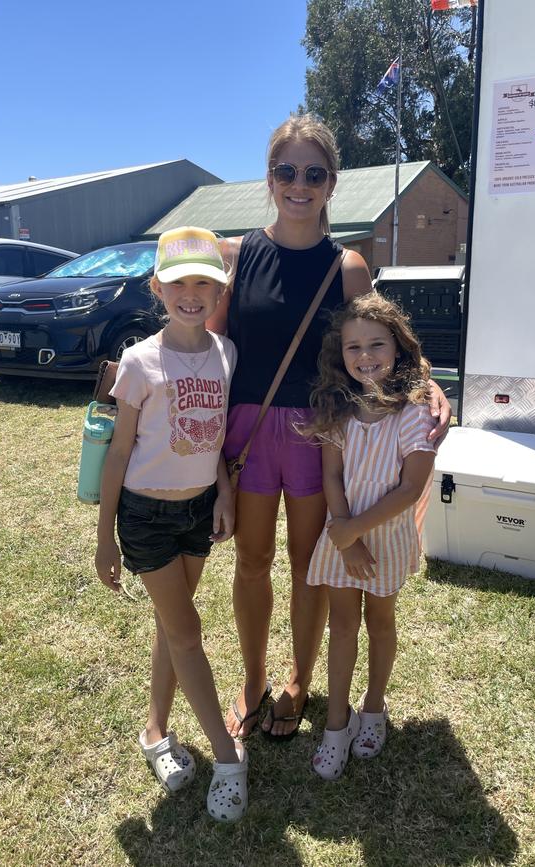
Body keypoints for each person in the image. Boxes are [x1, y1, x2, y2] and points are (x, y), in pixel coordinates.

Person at [208, 114, 451, 741]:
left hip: (322, 433)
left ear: (331, 183)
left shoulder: (346, 267)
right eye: (286, 171)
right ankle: (253, 679)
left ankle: (299, 681)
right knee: (253, 561)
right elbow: (208, 355)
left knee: (310, 563)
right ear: (269, 178)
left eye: (313, 173)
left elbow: (383, 340)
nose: (299, 184)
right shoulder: (236, 257)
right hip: (251, 432)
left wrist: (429, 387)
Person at [94, 226, 248, 822]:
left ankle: (155, 731)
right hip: (147, 516)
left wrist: (224, 493)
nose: (192, 293)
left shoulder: (225, 354)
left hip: (198, 510)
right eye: (180, 282)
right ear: (157, 287)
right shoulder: (139, 361)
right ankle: (227, 755)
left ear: (219, 292)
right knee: (187, 633)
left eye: (205, 283)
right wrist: (105, 535)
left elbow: (217, 439)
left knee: (171, 625)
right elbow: (118, 450)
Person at [307, 293, 436, 780]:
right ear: (339, 354)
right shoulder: (338, 410)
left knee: (380, 623)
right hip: (343, 537)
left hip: (384, 538)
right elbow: (332, 478)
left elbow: (410, 488)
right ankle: (336, 723)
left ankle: (374, 707)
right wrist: (345, 538)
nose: (365, 357)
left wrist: (354, 532)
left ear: (398, 348)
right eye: (352, 347)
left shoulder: (413, 411)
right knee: (342, 627)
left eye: (376, 344)